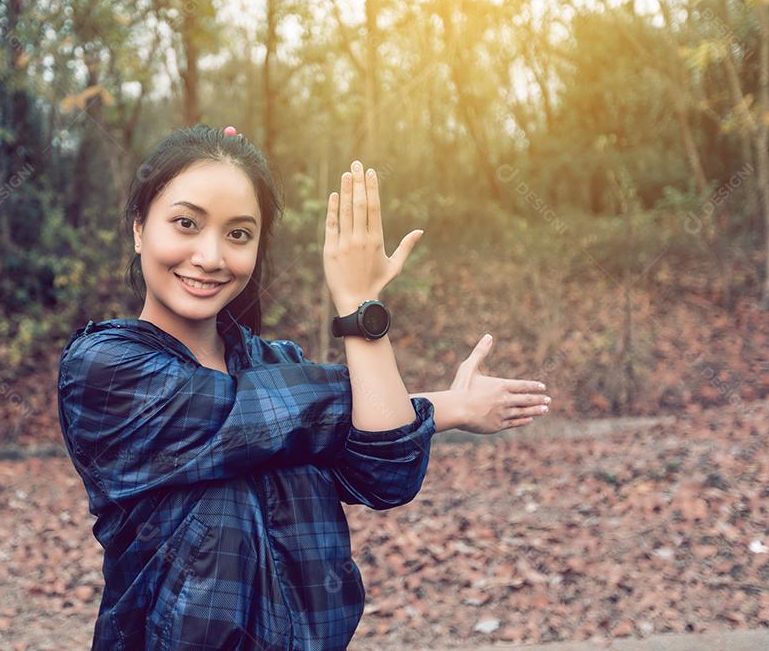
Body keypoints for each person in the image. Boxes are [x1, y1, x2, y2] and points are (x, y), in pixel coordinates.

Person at [57, 124, 551, 651]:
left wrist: (359, 303)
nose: (210, 256)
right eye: (185, 223)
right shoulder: (104, 370)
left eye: (239, 234)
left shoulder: (279, 364)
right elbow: (266, 416)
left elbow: (387, 471)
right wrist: (447, 406)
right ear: (138, 228)